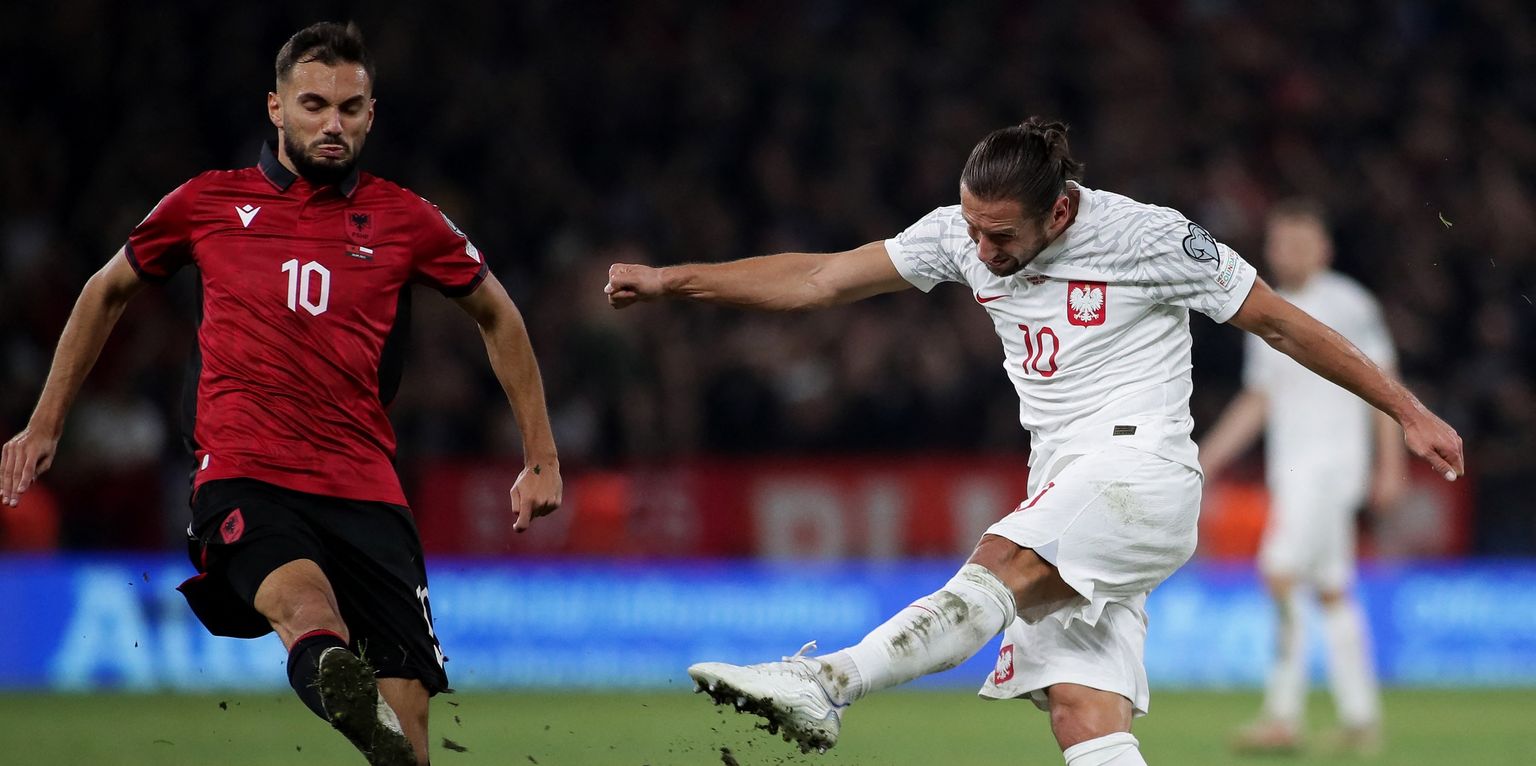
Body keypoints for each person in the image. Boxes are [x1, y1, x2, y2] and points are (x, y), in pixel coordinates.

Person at [604, 118, 1463, 765]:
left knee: (1001, 561)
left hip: (1138, 472)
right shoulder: (963, 233)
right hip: (1068, 483)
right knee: (1084, 716)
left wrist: (1405, 410)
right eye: (972, 229)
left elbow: (1279, 322)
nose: (980, 250)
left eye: (1001, 236)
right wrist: (674, 281)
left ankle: (826, 684)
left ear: (1058, 210)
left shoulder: (1149, 238)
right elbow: (822, 278)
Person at [0, 22, 562, 766]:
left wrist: (541, 456)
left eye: (350, 108)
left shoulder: (405, 218)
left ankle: (349, 691)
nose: (333, 124)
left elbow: (499, 314)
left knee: (408, 740)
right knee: (306, 608)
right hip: (247, 475)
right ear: (276, 107)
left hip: (366, 489)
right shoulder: (207, 202)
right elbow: (105, 291)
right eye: (314, 104)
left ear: (371, 114)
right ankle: (330, 667)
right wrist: (45, 424)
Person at [1199, 199, 1404, 755]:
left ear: (1324, 248)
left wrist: (1391, 463)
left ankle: (1282, 715)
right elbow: (1259, 400)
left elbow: (1384, 385)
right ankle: (1361, 718)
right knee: (1332, 589)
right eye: (1281, 242)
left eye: (1301, 242)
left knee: (1280, 573)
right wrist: (1206, 457)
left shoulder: (1348, 304)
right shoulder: (1263, 308)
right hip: (1293, 471)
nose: (1289, 252)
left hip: (1331, 467)